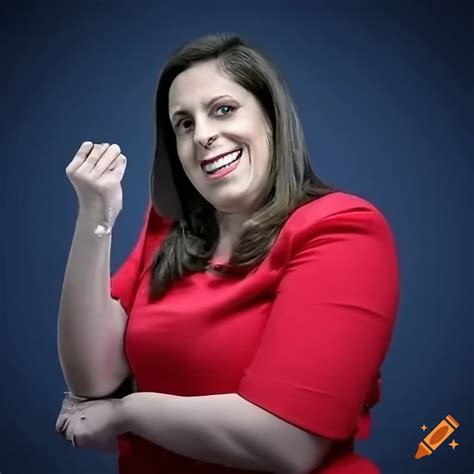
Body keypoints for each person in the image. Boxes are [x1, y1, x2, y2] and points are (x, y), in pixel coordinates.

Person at [55, 33, 400, 473]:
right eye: (184, 123)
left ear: (271, 119)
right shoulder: (170, 230)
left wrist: (127, 414)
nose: (202, 135)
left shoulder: (342, 230)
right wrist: (95, 217)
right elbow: (93, 378)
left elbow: (288, 442)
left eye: (223, 110)